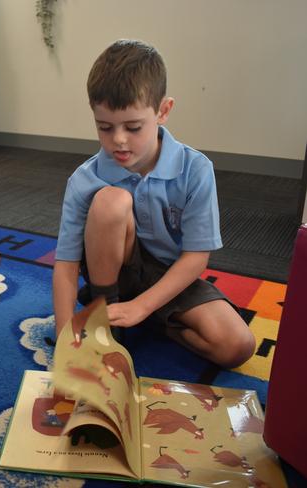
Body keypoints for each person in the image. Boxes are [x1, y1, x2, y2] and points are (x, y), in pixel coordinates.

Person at [53, 39, 255, 369]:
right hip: (113, 272)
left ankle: (154, 319)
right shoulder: (85, 178)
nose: (118, 140)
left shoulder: (196, 169)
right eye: (104, 127)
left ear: (163, 111)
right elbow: (66, 265)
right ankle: (106, 315)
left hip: (171, 276)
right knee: (111, 201)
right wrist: (65, 339)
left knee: (238, 346)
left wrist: (144, 307)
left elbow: (195, 257)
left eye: (133, 128)